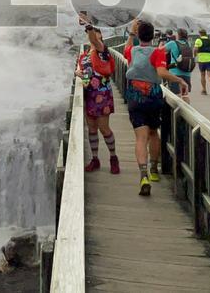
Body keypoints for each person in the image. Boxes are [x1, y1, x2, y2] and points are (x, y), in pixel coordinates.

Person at [124, 20, 190, 196]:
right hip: (153, 95)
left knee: (140, 137)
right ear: (153, 36)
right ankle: (154, 169)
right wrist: (180, 80)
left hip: (134, 95)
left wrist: (132, 32)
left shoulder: (132, 51)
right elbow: (161, 73)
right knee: (153, 133)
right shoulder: (157, 52)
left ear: (138, 35)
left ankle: (143, 174)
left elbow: (127, 47)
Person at [74, 26, 120, 174]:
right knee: (92, 128)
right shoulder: (86, 55)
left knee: (104, 128)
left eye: (96, 33)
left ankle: (113, 158)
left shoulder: (102, 51)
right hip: (89, 95)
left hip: (102, 95)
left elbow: (93, 39)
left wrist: (89, 26)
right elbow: (87, 75)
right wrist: (80, 74)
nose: (92, 36)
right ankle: (95, 159)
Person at [164, 28, 195, 103]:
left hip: (175, 74)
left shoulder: (172, 43)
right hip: (186, 73)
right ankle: (187, 111)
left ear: (178, 35)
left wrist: (162, 43)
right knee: (184, 95)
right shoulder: (188, 44)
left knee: (176, 95)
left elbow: (160, 50)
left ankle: (177, 113)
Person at [193, 28, 210, 95]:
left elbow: (195, 49)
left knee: (202, 75)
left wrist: (194, 56)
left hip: (201, 60)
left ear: (200, 34)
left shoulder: (198, 40)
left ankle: (204, 90)